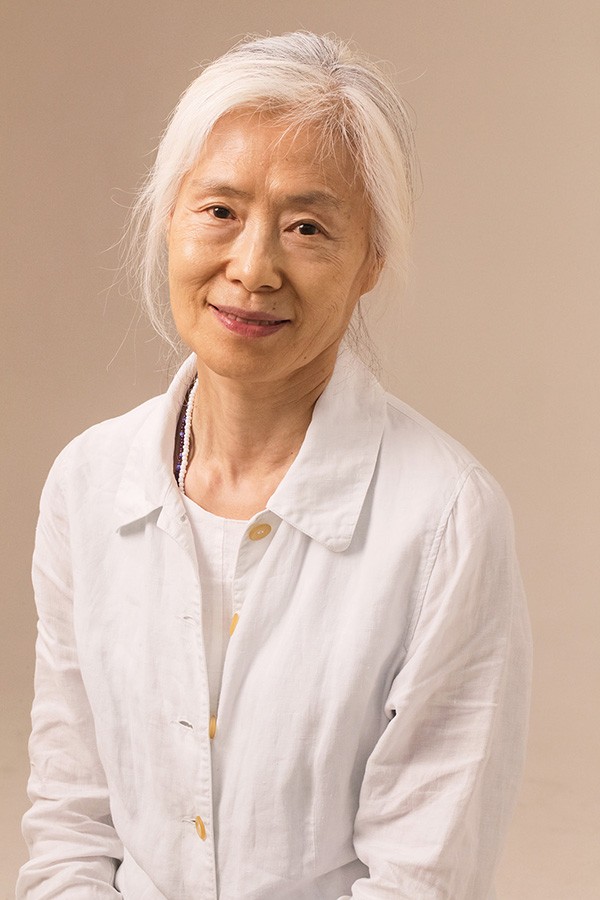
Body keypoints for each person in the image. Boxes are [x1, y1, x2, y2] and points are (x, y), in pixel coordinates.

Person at [17, 31, 532, 900]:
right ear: (169, 217)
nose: (253, 269)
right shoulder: (88, 483)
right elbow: (71, 828)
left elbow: (419, 880)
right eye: (219, 210)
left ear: (371, 261)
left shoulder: (446, 519)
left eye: (307, 227)